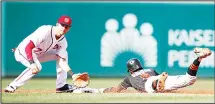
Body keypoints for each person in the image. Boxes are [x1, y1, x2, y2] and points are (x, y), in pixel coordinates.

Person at [5, 15, 82, 93]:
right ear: (57, 24)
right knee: (37, 67)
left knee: (64, 53)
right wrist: (32, 64)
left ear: (69, 29)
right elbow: (28, 47)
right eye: (62, 25)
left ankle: (61, 86)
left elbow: (62, 61)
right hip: (23, 51)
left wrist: (72, 74)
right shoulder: (45, 31)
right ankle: (12, 86)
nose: (64, 28)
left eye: (67, 26)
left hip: (38, 54)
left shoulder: (63, 42)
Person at [101, 47, 212, 93]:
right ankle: (199, 58)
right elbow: (163, 79)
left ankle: (156, 84)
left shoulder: (129, 78)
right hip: (159, 77)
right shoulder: (150, 70)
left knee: (153, 87)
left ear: (130, 70)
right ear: (139, 66)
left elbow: (116, 89)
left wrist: (102, 91)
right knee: (190, 79)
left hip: (151, 84)